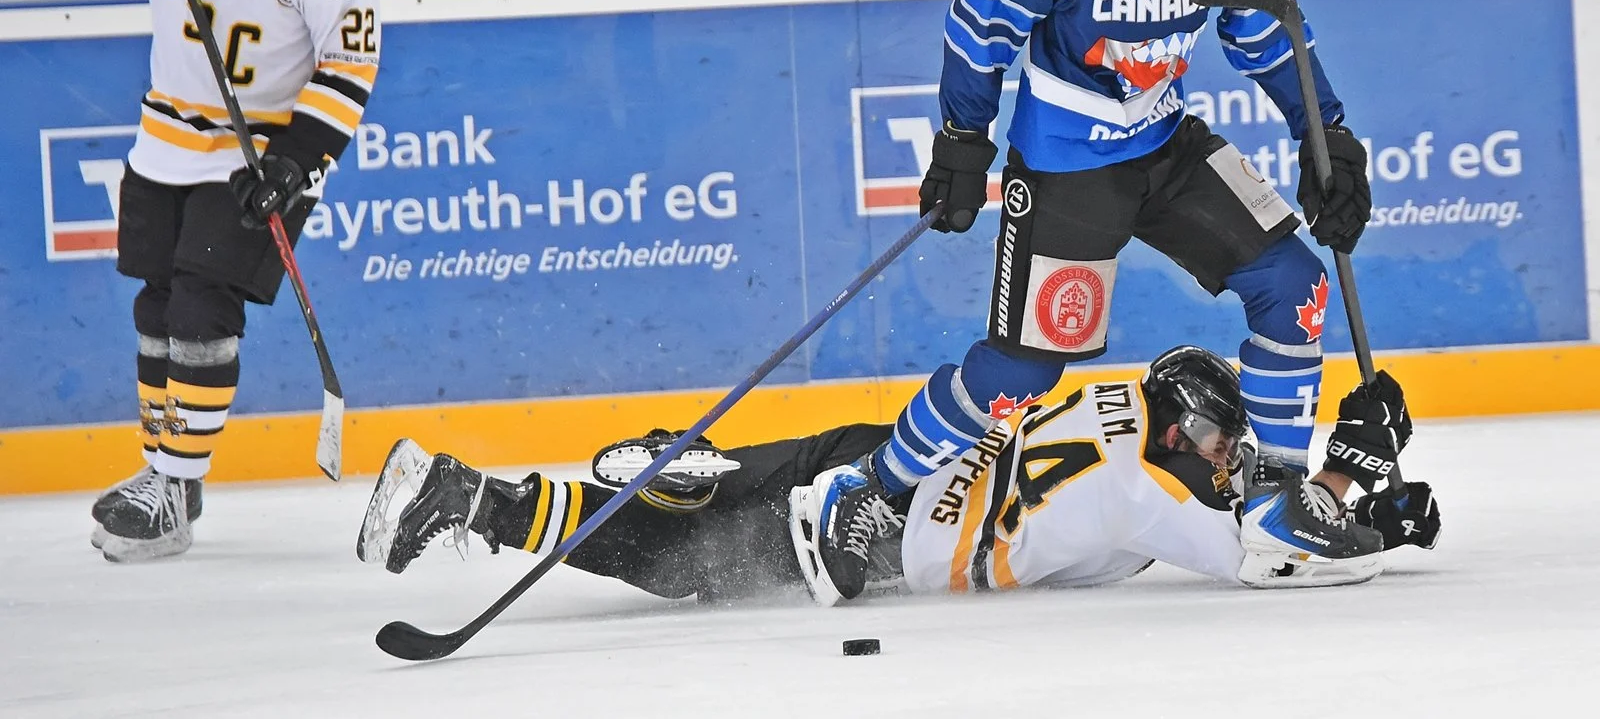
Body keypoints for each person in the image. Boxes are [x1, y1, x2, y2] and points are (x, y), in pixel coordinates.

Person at [798, 0, 1383, 602]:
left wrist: (1324, 134)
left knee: (1293, 283)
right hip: (1068, 167)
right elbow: (978, 24)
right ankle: (866, 492)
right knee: (1026, 368)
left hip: (1166, 144)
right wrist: (964, 140)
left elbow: (1265, 31)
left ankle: (1277, 499)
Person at [21, 0, 381, 562]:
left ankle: (172, 485)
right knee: (156, 307)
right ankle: (170, 482)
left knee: (200, 305)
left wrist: (294, 162)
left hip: (257, 155)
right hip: (165, 143)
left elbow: (351, 62)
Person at [356, 348, 1439, 604]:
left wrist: (1371, 485)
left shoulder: (1133, 408)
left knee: (723, 498)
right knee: (678, 566)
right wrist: (1359, 470)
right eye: (1216, 443)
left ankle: (695, 469)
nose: (1226, 459)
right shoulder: (1152, 491)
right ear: (1186, 433)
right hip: (893, 537)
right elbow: (1282, 548)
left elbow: (1246, 473)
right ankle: (473, 499)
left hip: (893, 457)